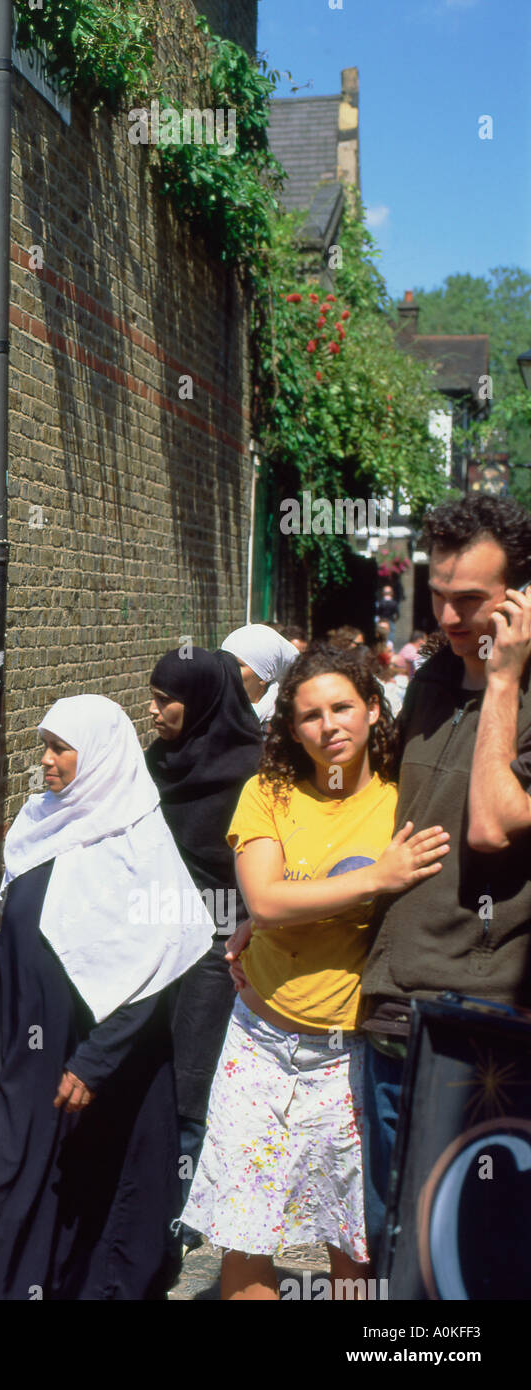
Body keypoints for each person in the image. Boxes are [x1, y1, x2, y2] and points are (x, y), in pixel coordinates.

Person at [180, 646, 449, 1299]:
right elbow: (266, 899)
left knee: (350, 1243)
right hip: (260, 1043)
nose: (329, 725)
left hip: (347, 1051)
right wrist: (375, 879)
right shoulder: (266, 793)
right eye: (309, 715)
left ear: (373, 710)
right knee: (246, 1235)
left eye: (342, 708)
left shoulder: (400, 804)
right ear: (290, 727)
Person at [0, 695, 212, 1300]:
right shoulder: (41, 822)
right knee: (11, 1183)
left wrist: (95, 1060)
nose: (45, 761)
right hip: (24, 1048)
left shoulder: (137, 843)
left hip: (93, 1061)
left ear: (98, 756)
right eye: (44, 746)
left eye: (59, 749)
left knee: (85, 1203)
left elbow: (155, 966)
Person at [360, 496, 531, 1272]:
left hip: (481, 1027)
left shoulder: (521, 696)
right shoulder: (428, 679)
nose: (451, 616)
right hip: (390, 1009)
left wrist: (502, 683)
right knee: (386, 1240)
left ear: (520, 598)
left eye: (473, 601)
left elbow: (494, 825)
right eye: (439, 595)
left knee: (458, 1261)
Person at [146, 646, 263, 1206]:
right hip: (154, 936)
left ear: (202, 703)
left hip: (224, 945)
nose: (152, 710)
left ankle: (182, 1207)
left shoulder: (256, 775)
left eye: (165, 700)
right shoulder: (154, 763)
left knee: (194, 1078)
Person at [220, 624, 300, 726]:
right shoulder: (205, 713)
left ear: (264, 676)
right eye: (224, 661)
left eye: (239, 665)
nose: (227, 668)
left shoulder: (281, 727)